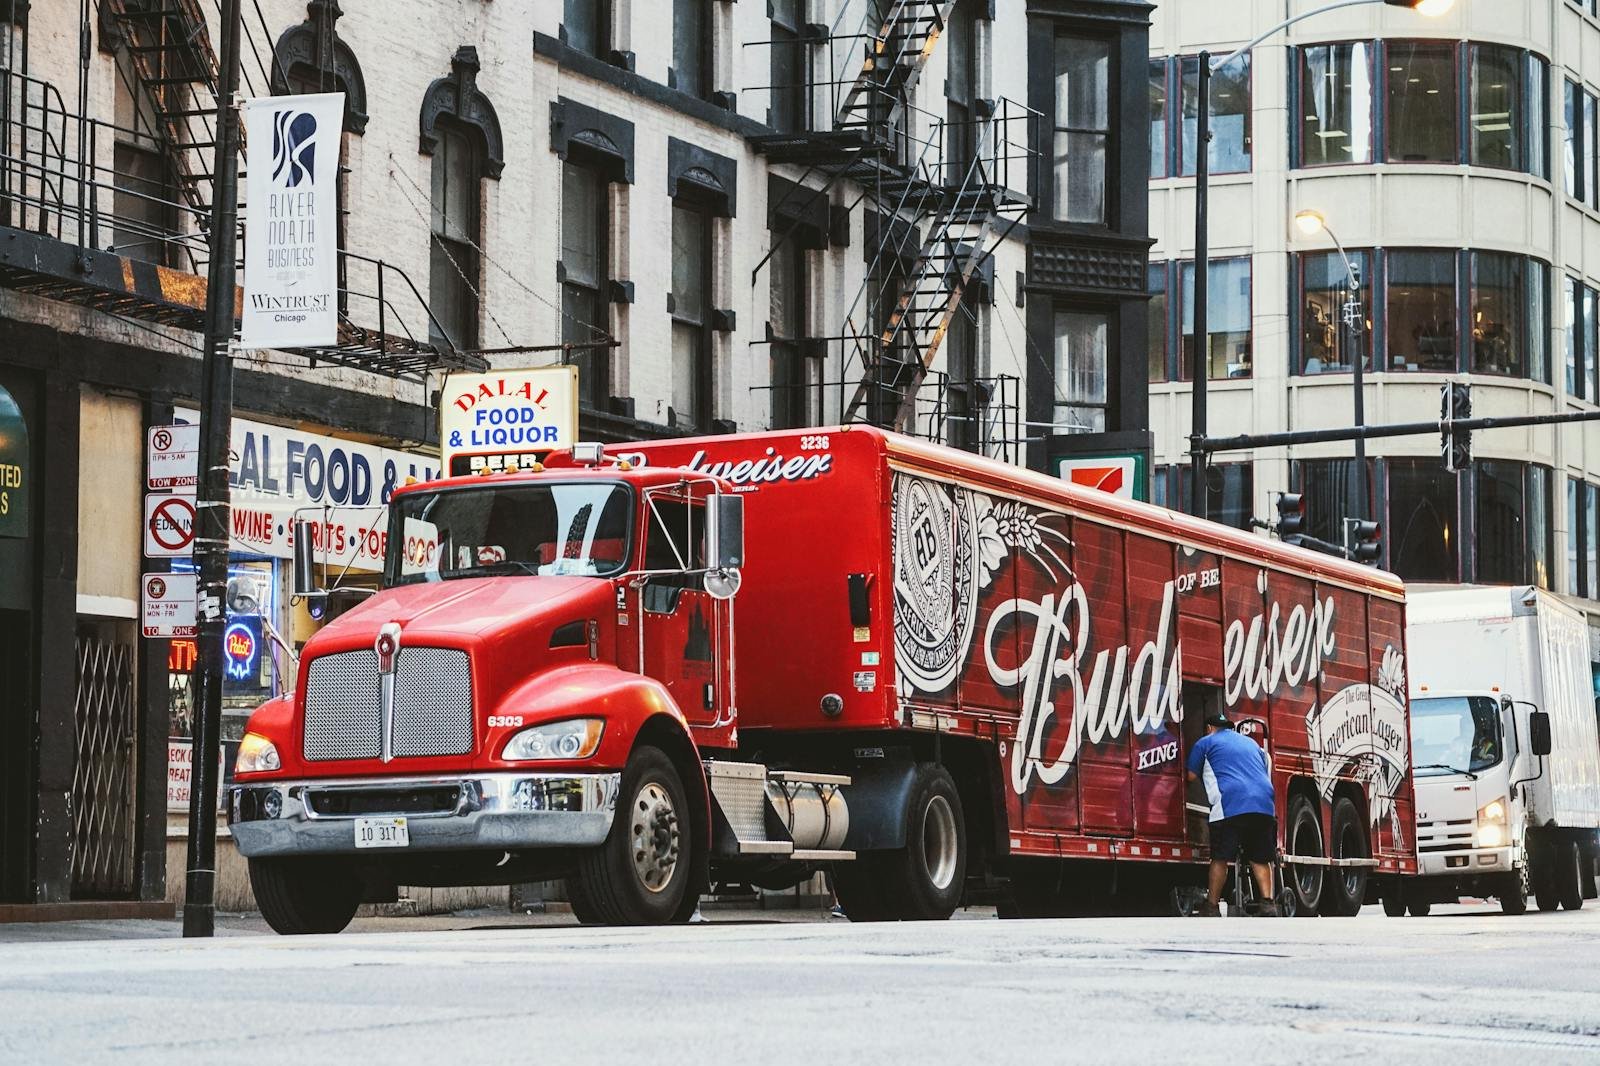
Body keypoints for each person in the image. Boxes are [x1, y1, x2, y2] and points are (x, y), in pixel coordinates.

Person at [1186, 712, 1278, 916]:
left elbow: (1190, 776)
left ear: (1209, 728)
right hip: (1263, 804)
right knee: (1260, 857)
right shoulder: (1252, 744)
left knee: (1220, 858)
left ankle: (1211, 906)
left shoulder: (1205, 743)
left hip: (1230, 805)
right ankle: (1268, 903)